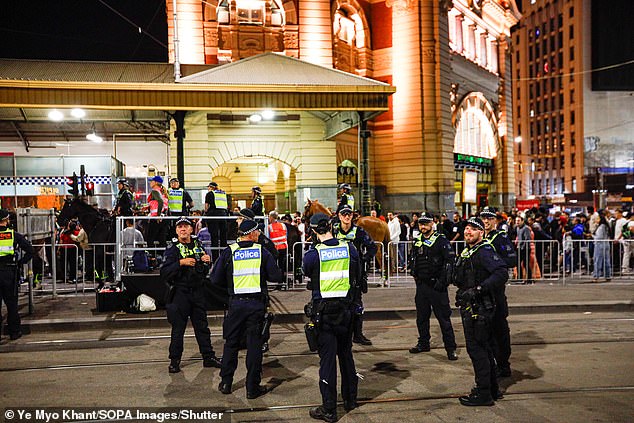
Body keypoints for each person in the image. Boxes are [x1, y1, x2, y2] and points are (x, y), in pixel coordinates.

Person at [211, 219, 283, 398]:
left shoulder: (230, 252)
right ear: (251, 234)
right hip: (255, 305)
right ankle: (252, 388)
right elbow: (276, 276)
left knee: (231, 344)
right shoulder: (261, 251)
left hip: (235, 304)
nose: (259, 234)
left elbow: (214, 279)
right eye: (257, 232)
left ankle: (226, 382)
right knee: (254, 346)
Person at [303, 213, 360, 422]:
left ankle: (329, 408)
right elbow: (357, 274)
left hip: (324, 314)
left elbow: (307, 272)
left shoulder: (312, 254)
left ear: (314, 230)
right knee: (346, 356)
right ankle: (350, 399)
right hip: (346, 312)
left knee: (327, 361)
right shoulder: (349, 248)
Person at [453, 217, 508, 406]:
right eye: (466, 229)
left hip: (480, 309)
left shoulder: (484, 251)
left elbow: (502, 272)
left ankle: (484, 393)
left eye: (473, 229)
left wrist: (478, 290)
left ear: (481, 233)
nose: (468, 232)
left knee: (477, 350)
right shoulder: (469, 251)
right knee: (484, 349)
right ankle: (492, 389)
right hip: (473, 307)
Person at [159, 217, 222, 374]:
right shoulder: (172, 249)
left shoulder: (198, 245)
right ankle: (174, 361)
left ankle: (208, 357)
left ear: (191, 230)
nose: (183, 229)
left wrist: (207, 261)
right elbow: (164, 272)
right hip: (180, 293)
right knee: (178, 329)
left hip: (198, 291)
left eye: (186, 226)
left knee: (202, 327)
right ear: (176, 231)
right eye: (180, 227)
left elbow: (204, 270)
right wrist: (181, 263)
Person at [409, 212, 458, 360]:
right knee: (421, 318)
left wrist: (442, 282)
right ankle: (423, 343)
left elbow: (450, 262)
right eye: (421, 224)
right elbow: (413, 260)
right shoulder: (417, 241)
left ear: (432, 224)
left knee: (444, 319)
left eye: (426, 223)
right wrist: (415, 275)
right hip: (422, 287)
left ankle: (451, 349)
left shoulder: (441, 240)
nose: (423, 226)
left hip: (437, 287)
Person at [332, 204, 377, 346]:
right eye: (344, 214)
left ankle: (357, 334)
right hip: (337, 274)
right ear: (339, 216)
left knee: (356, 305)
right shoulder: (333, 231)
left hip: (355, 275)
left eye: (349, 214)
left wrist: (363, 259)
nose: (346, 216)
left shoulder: (359, 231)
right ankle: (340, 334)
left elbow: (372, 247)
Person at [480, 206, 516, 378]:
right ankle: (492, 362)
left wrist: (494, 264)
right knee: (486, 330)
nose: (486, 221)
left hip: (496, 290)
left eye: (489, 218)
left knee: (499, 329)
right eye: (483, 218)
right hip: (483, 290)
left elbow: (512, 259)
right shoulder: (481, 237)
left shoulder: (500, 238)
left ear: (496, 220)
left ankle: (503, 364)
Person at [0, 209, 34, 341]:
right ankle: (14, 332)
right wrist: (20, 263)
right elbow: (30, 251)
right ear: (6, 220)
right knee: (12, 304)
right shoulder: (13, 235)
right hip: (9, 272)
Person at [204, 182, 230, 262]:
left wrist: (205, 213)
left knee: (214, 238)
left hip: (213, 216)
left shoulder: (209, 194)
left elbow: (206, 207)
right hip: (223, 216)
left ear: (211, 187)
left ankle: (215, 259)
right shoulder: (223, 193)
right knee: (223, 238)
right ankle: (224, 258)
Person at [146, 175, 168, 250]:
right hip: (162, 218)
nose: (150, 183)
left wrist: (158, 216)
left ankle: (152, 257)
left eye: (151, 181)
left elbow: (160, 201)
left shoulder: (155, 191)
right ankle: (163, 257)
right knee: (161, 240)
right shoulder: (162, 192)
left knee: (150, 239)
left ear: (155, 182)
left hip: (156, 218)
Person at [268, 210, 288, 275]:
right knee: (281, 264)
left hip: (274, 248)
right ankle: (281, 279)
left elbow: (268, 238)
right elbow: (286, 235)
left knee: (274, 264)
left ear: (271, 217)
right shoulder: (283, 225)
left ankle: (276, 277)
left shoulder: (269, 227)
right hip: (284, 247)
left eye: (269, 216)